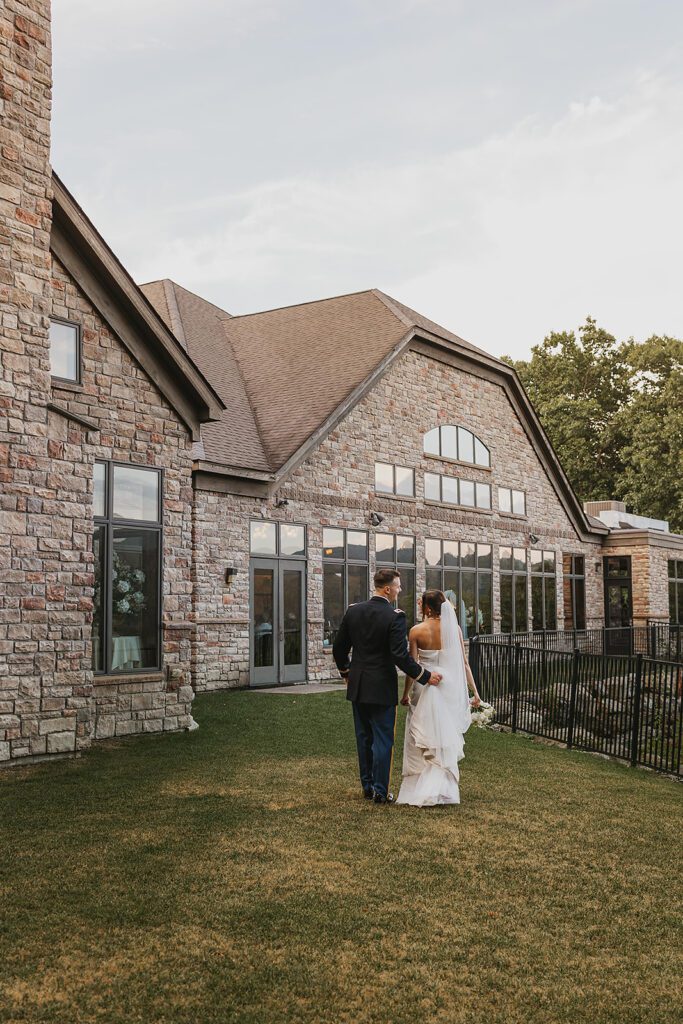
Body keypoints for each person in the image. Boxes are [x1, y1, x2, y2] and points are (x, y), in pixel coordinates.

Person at [333, 568, 442, 804]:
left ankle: (367, 787)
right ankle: (381, 792)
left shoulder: (353, 611)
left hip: (359, 685)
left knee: (364, 738)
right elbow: (400, 657)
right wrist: (425, 675)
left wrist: (346, 672)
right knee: (383, 740)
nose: (400, 590)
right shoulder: (395, 617)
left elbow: (338, 648)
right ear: (387, 589)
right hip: (381, 687)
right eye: (398, 586)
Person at [396, 590, 481, 807]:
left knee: (421, 736)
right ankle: (443, 790)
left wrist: (405, 694)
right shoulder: (454, 629)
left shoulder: (416, 631)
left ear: (426, 607)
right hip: (448, 687)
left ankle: (419, 788)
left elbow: (412, 668)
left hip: (423, 687)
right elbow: (464, 664)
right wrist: (475, 693)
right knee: (443, 737)